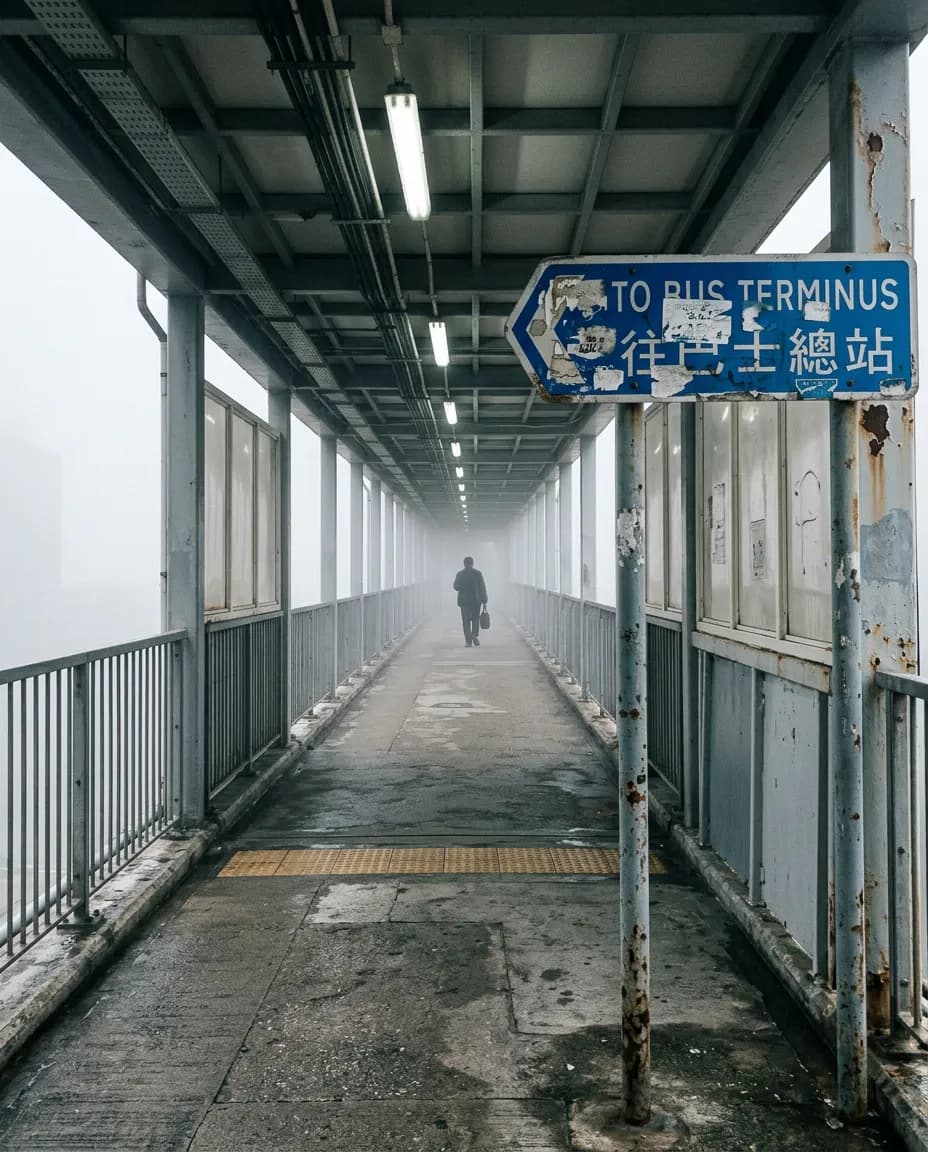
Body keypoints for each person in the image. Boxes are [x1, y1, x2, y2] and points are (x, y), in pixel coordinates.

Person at [453, 556, 488, 647]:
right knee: (475, 619)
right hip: (476, 601)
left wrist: (463, 587)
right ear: (472, 563)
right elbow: (482, 588)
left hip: (464, 602)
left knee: (466, 621)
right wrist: (484, 601)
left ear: (464, 564)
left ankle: (468, 641)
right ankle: (474, 635)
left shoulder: (460, 574)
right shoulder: (478, 574)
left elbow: (455, 587)